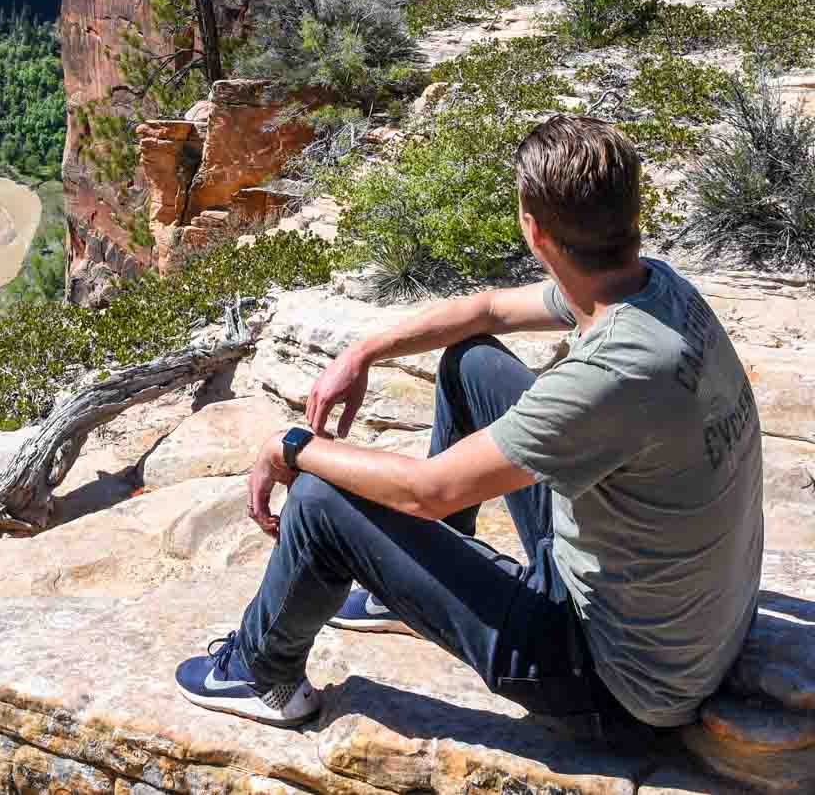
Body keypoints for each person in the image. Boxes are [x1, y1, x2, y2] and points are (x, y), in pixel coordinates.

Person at [176, 115, 763, 733]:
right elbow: (484, 311)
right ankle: (399, 597)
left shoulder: (610, 376)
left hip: (616, 676)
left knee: (323, 496)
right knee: (471, 362)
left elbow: (429, 491)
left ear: (533, 231)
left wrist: (290, 445)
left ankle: (261, 673)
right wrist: (363, 352)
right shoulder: (655, 289)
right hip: (681, 620)